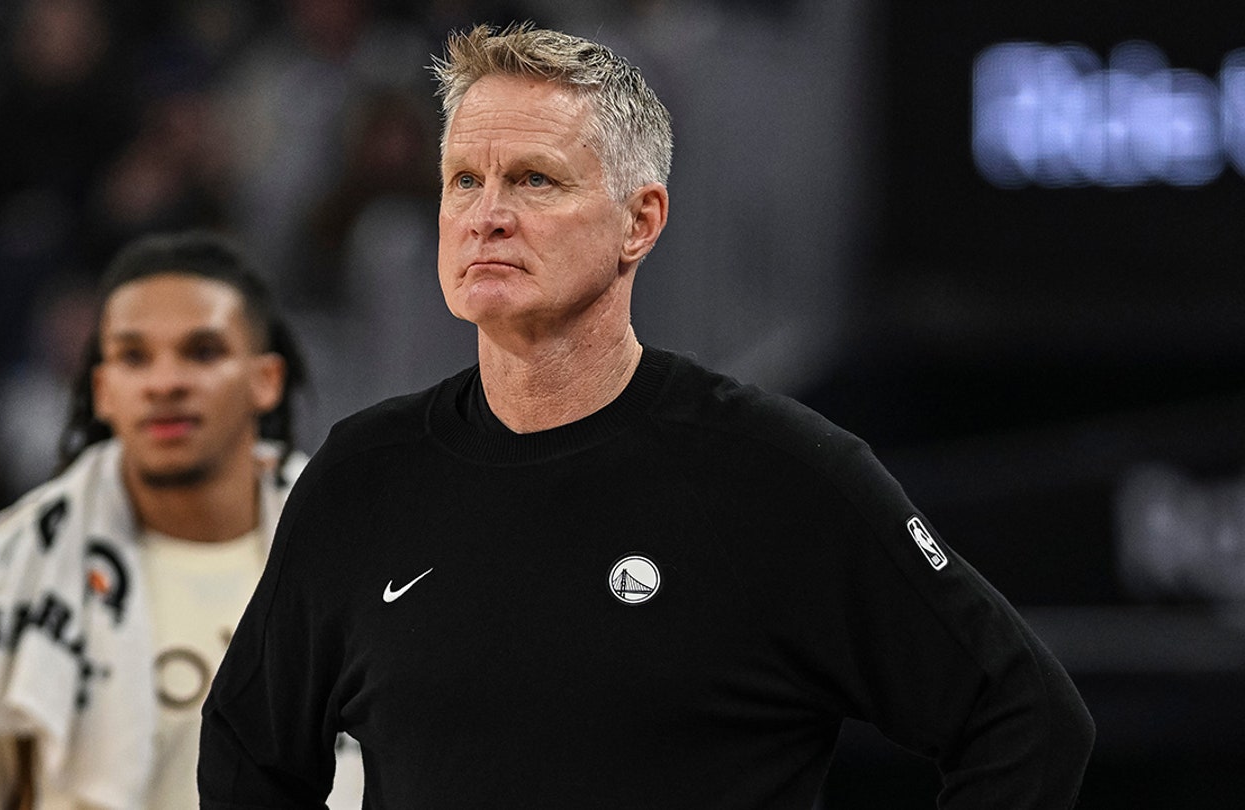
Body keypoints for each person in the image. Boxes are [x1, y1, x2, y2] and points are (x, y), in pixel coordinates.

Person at [199, 23, 1095, 809]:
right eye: (464, 179)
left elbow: (1024, 716)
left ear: (640, 222)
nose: (487, 216)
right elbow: (248, 754)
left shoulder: (779, 474)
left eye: (535, 180)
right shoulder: (363, 476)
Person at [0, 231, 363, 809]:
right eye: (134, 357)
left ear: (266, 380)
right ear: (103, 389)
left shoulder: (368, 555)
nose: (164, 383)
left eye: (202, 352)